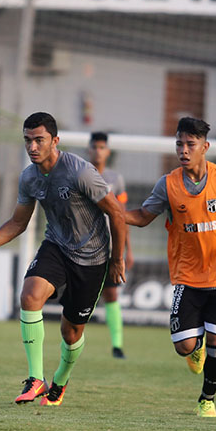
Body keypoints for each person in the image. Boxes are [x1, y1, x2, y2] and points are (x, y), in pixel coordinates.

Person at [0, 112, 126, 406]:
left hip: (92, 258)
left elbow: (117, 213)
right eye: (28, 140)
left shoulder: (80, 172)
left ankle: (60, 379)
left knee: (71, 333)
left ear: (55, 141)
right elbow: (18, 223)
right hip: (56, 247)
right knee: (30, 296)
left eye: (39, 140)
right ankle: (36, 378)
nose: (32, 147)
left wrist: (117, 259)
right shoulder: (29, 177)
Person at [125, 117, 216, 417]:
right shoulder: (168, 184)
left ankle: (207, 399)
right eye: (179, 144)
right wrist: (110, 210)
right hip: (188, 277)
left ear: (205, 146)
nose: (184, 150)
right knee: (184, 346)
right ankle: (195, 349)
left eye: (191, 144)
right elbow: (141, 216)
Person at [88, 132, 134, 359]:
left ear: (107, 151)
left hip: (109, 246)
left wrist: (127, 250)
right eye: (94, 146)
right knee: (82, 295)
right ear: (89, 149)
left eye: (102, 147)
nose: (98, 151)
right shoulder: (80, 174)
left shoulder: (116, 178)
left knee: (112, 294)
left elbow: (122, 216)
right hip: (82, 245)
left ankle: (117, 345)